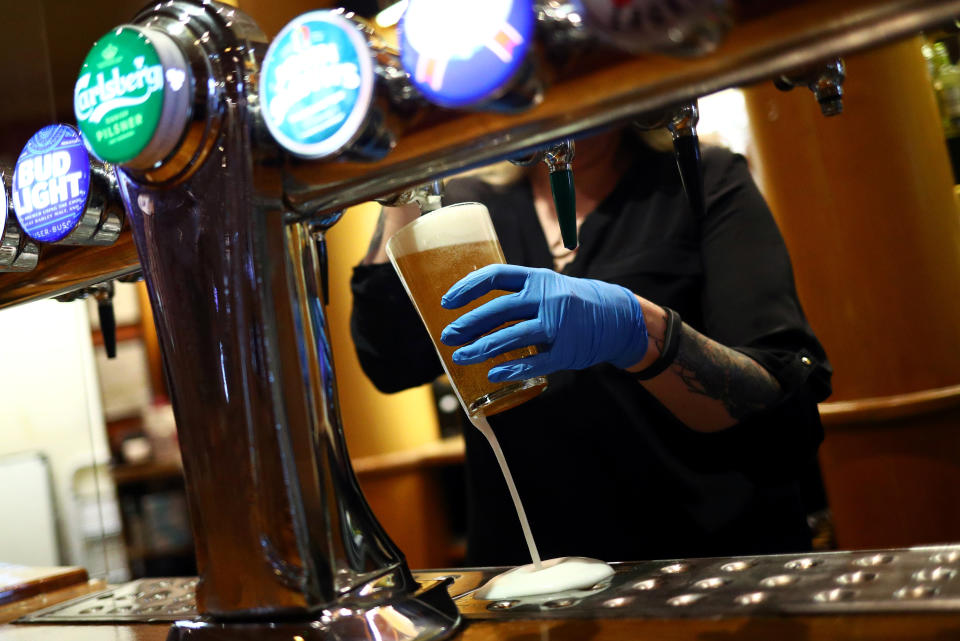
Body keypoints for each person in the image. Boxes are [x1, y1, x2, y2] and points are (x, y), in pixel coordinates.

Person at [350, 128, 832, 566]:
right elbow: (390, 362)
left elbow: (781, 417)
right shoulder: (470, 204)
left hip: (703, 559)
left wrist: (640, 331)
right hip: (529, 567)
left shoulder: (698, 178)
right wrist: (402, 182)